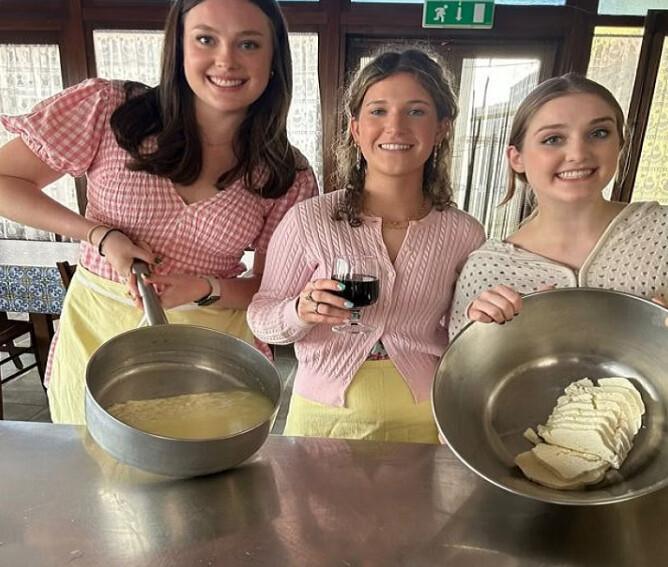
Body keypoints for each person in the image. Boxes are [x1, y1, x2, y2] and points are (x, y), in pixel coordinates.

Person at [0, 0, 317, 424]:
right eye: (206, 39)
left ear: (275, 59)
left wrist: (203, 286)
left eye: (249, 44)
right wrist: (99, 234)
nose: (226, 60)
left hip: (209, 352)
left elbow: (272, 291)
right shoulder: (112, 111)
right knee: (95, 477)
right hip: (98, 333)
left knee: (201, 481)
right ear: (179, 48)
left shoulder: (284, 172)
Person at [247, 49, 485, 444]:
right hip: (320, 419)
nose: (395, 127)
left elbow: (468, 333)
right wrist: (299, 310)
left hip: (425, 417)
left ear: (442, 127)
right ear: (355, 129)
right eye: (378, 111)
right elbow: (261, 316)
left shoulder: (464, 233)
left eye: (416, 111)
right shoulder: (309, 220)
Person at [448, 73, 668, 339]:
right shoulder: (486, 269)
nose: (578, 154)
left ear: (620, 146)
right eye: (553, 139)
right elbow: (461, 374)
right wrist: (482, 338)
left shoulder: (661, 232)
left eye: (599, 133)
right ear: (517, 158)